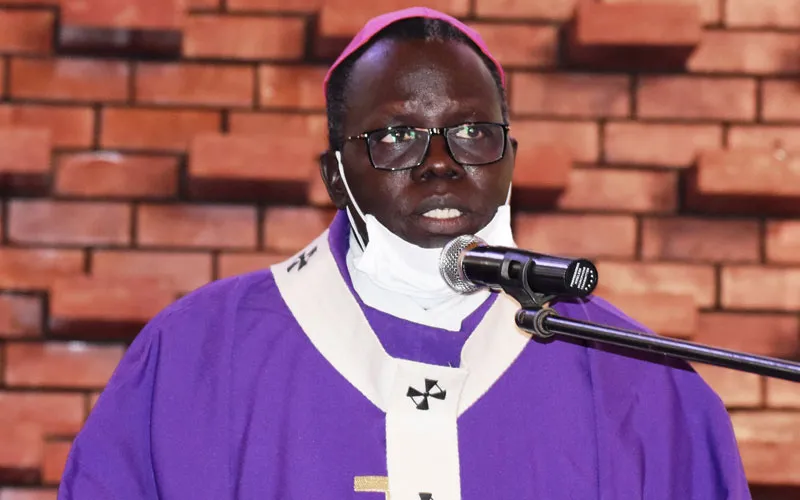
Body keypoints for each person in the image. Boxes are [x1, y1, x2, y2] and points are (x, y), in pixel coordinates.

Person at [58, 7, 751, 499]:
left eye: (473, 133)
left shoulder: (635, 377)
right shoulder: (197, 358)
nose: (441, 163)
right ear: (335, 176)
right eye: (395, 138)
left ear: (510, 158)